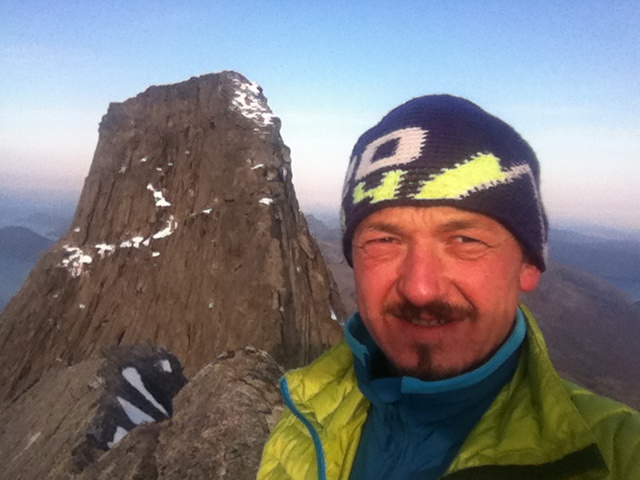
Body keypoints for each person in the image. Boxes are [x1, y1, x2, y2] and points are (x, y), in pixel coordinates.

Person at [258, 95, 640, 479]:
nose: (420, 288)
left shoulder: (616, 453)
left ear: (528, 264)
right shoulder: (301, 423)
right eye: (384, 240)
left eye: (465, 240)